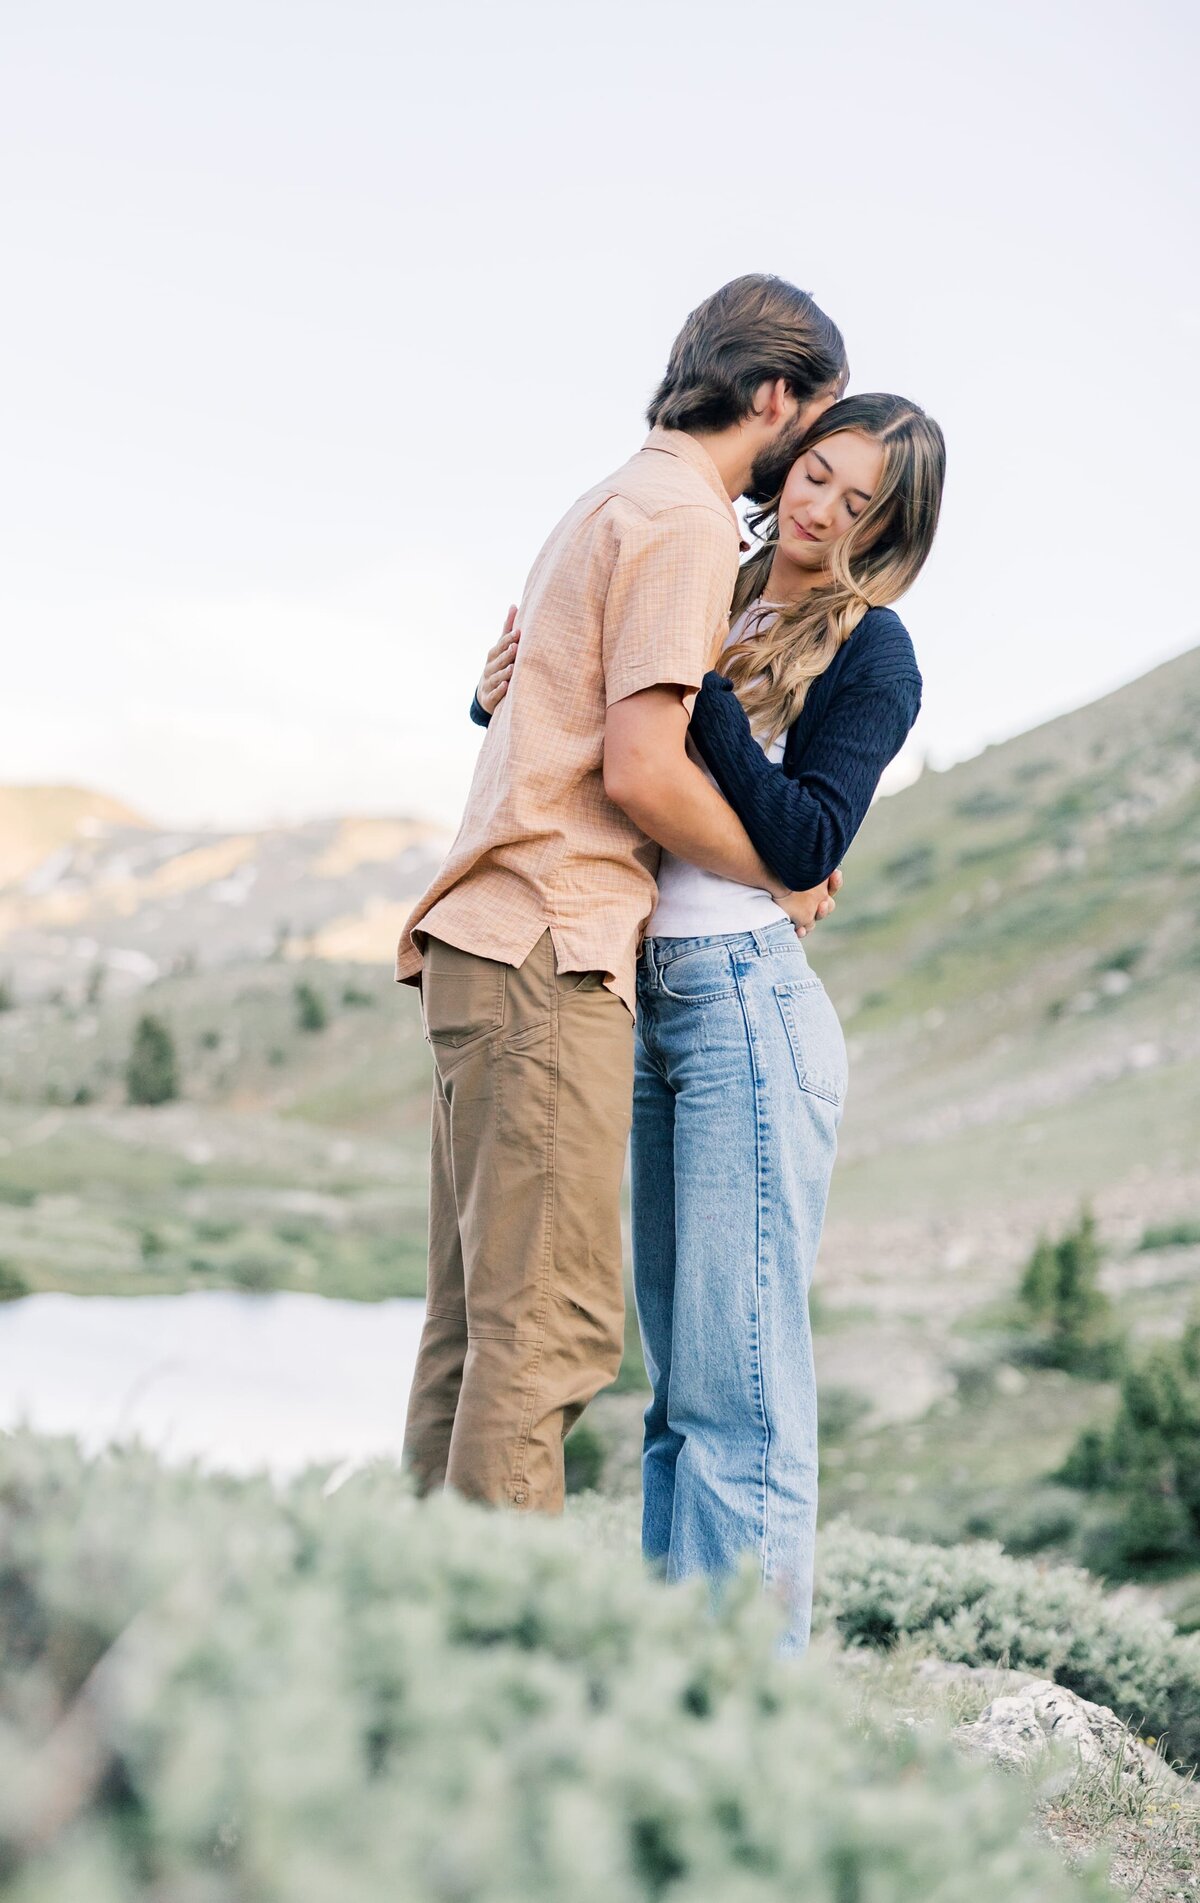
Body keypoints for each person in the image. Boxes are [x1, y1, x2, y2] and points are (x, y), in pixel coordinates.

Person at [474, 392, 945, 1649]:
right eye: (821, 474)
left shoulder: (873, 649)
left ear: (889, 530)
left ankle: (744, 1709)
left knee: (744, 1397)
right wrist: (499, 700)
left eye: (862, 506)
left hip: (747, 1006)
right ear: (790, 456)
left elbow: (808, 841)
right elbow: (606, 758)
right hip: (650, 1007)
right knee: (677, 1396)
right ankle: (679, 1686)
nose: (823, 510)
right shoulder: (700, 571)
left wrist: (709, 705)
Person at [396, 274, 849, 1515]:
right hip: (552, 942)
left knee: (476, 1330)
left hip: (482, 939)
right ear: (773, 396)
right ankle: (500, 1672)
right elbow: (643, 765)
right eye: (813, 426)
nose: (805, 461)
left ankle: (416, 1643)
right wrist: (785, 870)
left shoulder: (602, 499)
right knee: (551, 1332)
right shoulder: (690, 522)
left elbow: (532, 712)